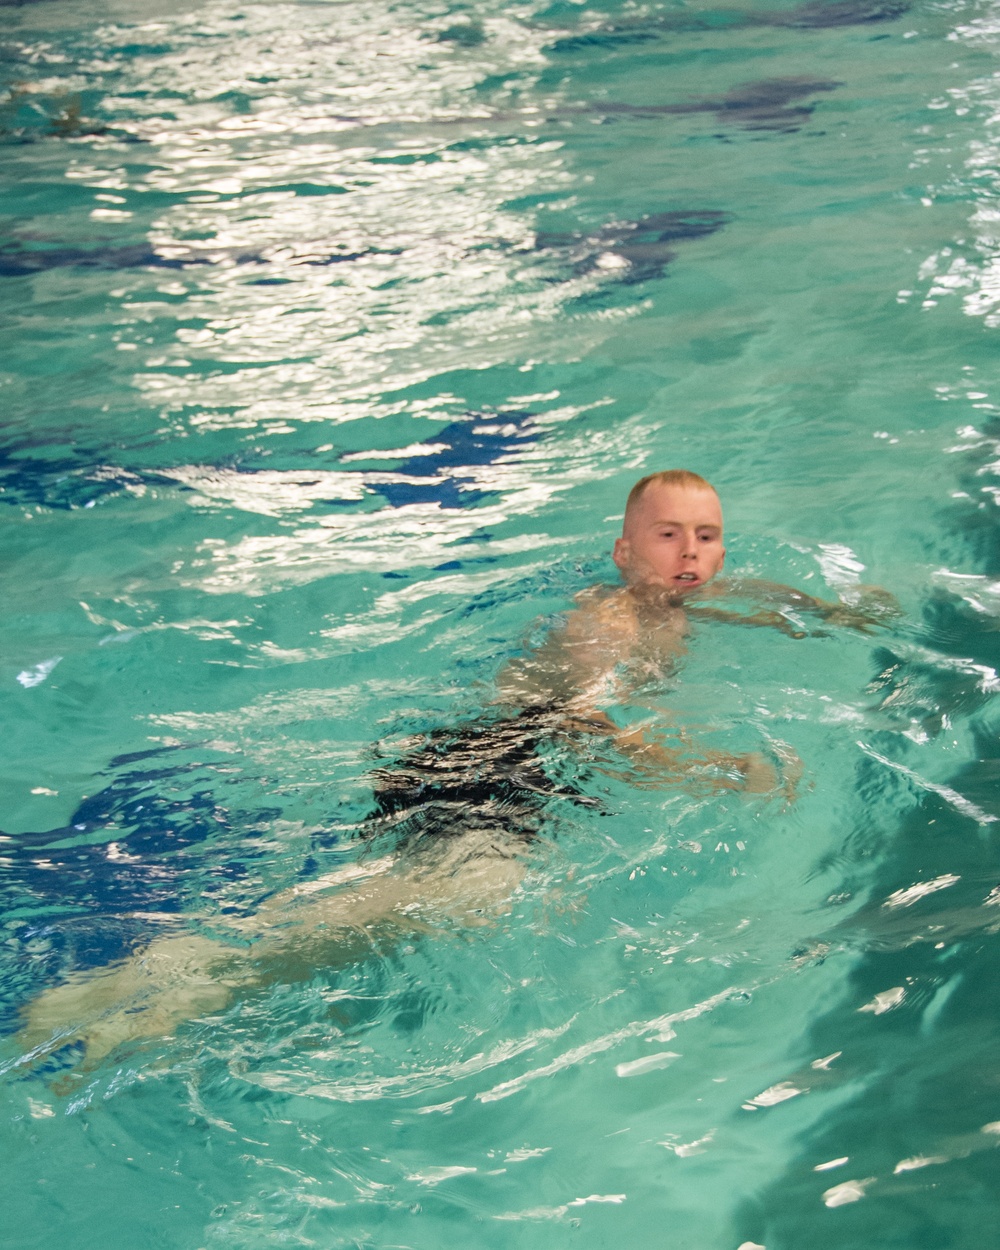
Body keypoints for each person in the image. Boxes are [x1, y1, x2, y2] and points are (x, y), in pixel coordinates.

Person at [11, 469, 895, 1072]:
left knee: (425, 893)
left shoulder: (681, 606)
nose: (691, 555)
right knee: (464, 898)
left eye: (707, 538)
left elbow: (762, 606)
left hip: (494, 761)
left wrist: (838, 614)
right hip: (494, 760)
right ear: (625, 553)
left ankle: (184, 970)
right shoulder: (610, 623)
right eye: (668, 537)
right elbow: (584, 723)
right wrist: (704, 770)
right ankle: (193, 972)